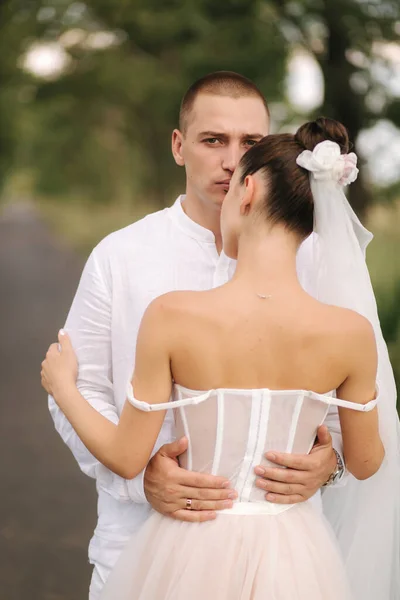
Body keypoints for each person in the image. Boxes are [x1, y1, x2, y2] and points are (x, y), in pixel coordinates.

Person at [41, 119, 389, 599]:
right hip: (294, 556)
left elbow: (126, 457)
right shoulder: (352, 332)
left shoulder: (172, 315)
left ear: (246, 191)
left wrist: (62, 386)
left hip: (189, 550)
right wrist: (325, 459)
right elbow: (367, 461)